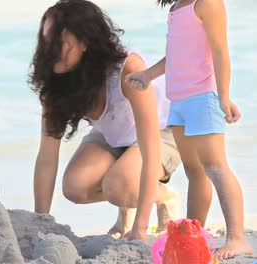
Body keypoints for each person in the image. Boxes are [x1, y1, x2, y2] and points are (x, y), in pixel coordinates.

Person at [29, 0, 181, 242]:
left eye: (59, 43)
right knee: (75, 187)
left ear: (85, 41)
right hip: (114, 132)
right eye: (46, 41)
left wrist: (140, 227)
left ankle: (164, 197)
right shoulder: (55, 83)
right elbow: (47, 157)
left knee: (119, 187)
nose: (49, 51)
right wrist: (39, 223)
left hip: (164, 127)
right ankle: (128, 193)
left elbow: (150, 147)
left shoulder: (127, 69)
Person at [126, 0, 253, 259]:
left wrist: (224, 97)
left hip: (202, 98)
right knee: (194, 171)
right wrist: (148, 75)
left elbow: (220, 51)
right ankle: (195, 233)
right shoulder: (176, 8)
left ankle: (238, 238)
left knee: (215, 167)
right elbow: (177, 54)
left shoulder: (207, 3)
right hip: (179, 101)